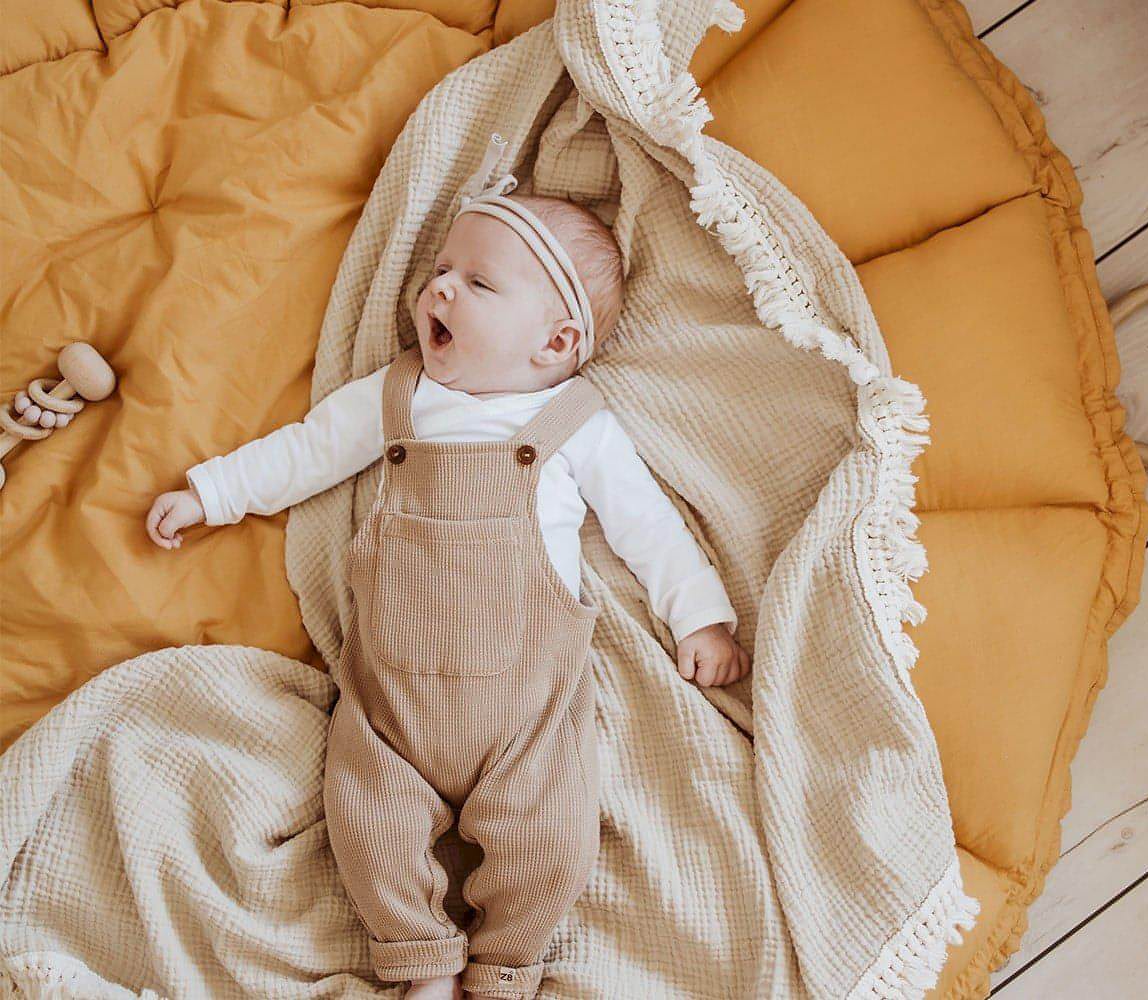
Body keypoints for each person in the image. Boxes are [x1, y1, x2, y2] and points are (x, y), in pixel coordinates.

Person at [144, 152, 751, 1000]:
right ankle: (420, 959)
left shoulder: (574, 424)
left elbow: (648, 526)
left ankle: (505, 965)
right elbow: (307, 452)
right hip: (390, 709)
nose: (440, 289)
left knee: (554, 842)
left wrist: (700, 619)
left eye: (478, 282)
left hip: (527, 713)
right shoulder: (398, 397)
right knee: (366, 824)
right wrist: (213, 493)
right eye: (440, 271)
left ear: (556, 342)